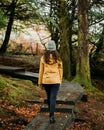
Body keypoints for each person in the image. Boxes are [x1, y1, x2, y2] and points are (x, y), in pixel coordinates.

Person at [38, 40, 63, 123]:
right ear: (55, 48)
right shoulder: (58, 58)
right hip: (56, 81)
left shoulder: (43, 58)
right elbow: (60, 70)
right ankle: (51, 116)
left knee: (49, 97)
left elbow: (41, 70)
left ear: (48, 48)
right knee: (53, 98)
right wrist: (60, 80)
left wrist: (40, 82)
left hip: (46, 81)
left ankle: (50, 112)